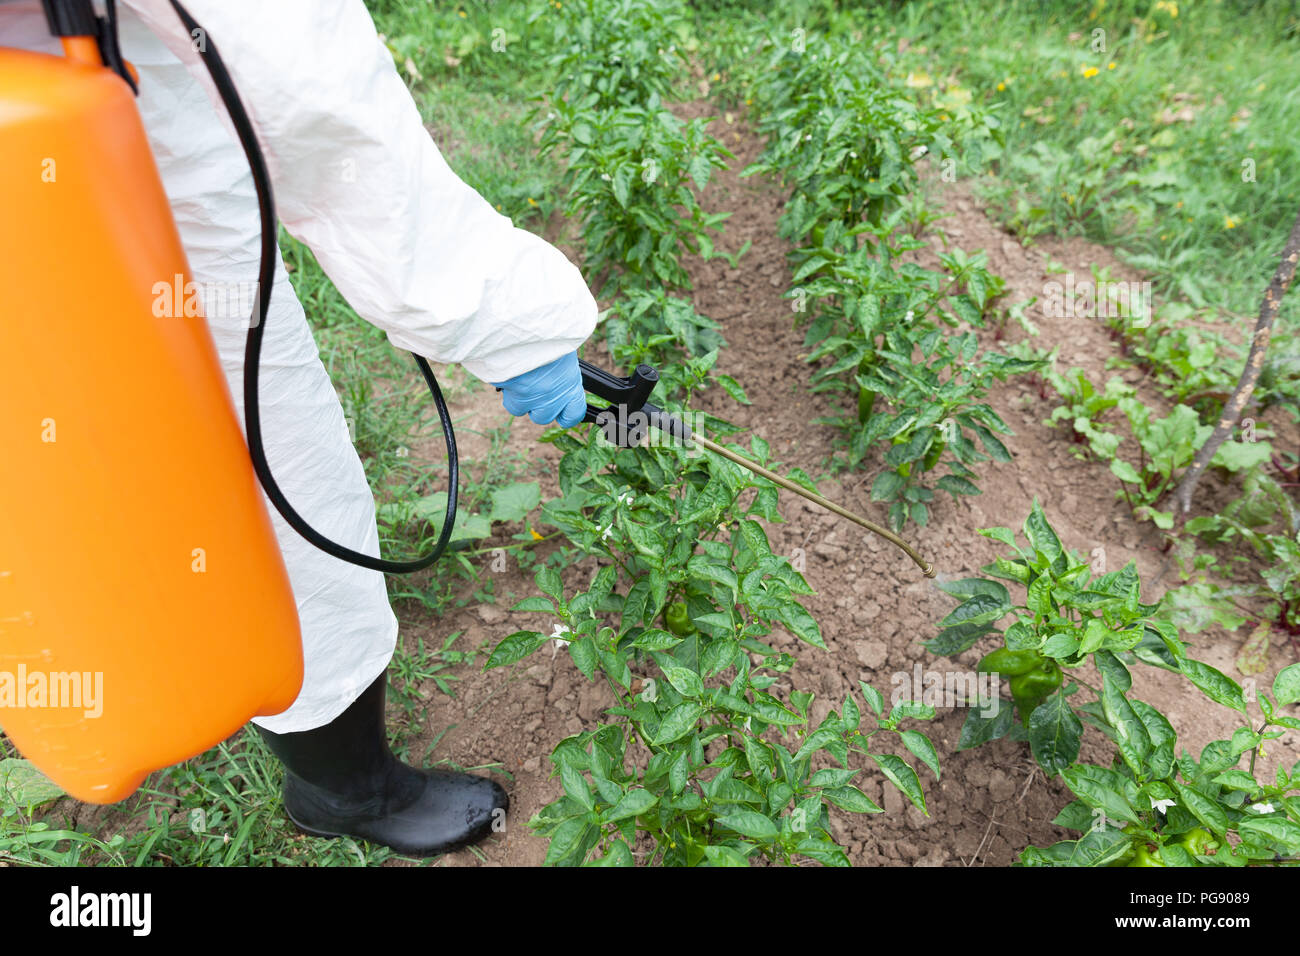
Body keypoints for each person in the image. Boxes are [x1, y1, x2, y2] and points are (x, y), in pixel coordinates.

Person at [2, 0, 597, 855]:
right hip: (73, 118)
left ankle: (322, 769)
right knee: (261, 448)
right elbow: (296, 65)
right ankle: (343, 783)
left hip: (91, 81)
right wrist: (497, 314)